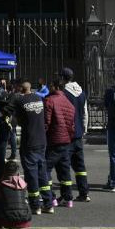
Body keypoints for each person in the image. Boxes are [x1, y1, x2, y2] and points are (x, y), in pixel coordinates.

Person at [13, 81, 49, 214]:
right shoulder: (38, 98)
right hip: (41, 140)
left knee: (31, 173)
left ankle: (35, 205)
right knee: (42, 172)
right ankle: (48, 202)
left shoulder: (20, 101)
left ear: (20, 89)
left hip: (29, 141)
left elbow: (18, 119)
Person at [43, 78, 76, 206]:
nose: (48, 87)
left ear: (56, 86)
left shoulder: (50, 100)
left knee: (45, 169)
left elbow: (46, 122)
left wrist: (43, 135)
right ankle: (68, 198)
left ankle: (51, 197)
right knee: (64, 170)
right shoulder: (68, 102)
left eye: (50, 85)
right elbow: (72, 124)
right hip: (66, 141)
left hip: (53, 140)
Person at [61, 69, 91, 201]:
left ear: (63, 78)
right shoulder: (81, 92)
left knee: (65, 165)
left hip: (67, 134)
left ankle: (67, 194)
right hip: (78, 134)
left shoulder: (63, 93)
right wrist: (83, 130)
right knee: (80, 166)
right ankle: (84, 192)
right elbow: (85, 113)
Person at [0, 159, 33, 229]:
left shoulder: (2, 185)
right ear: (17, 172)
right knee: (25, 202)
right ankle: (28, 224)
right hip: (25, 221)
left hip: (8, 222)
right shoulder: (23, 184)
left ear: (4, 171)